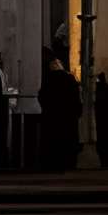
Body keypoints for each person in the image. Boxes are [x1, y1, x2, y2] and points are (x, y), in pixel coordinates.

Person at [39, 44, 80, 173]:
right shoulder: (69, 79)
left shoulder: (47, 80)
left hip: (52, 118)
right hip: (68, 119)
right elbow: (76, 100)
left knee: (53, 144)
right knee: (67, 145)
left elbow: (42, 98)